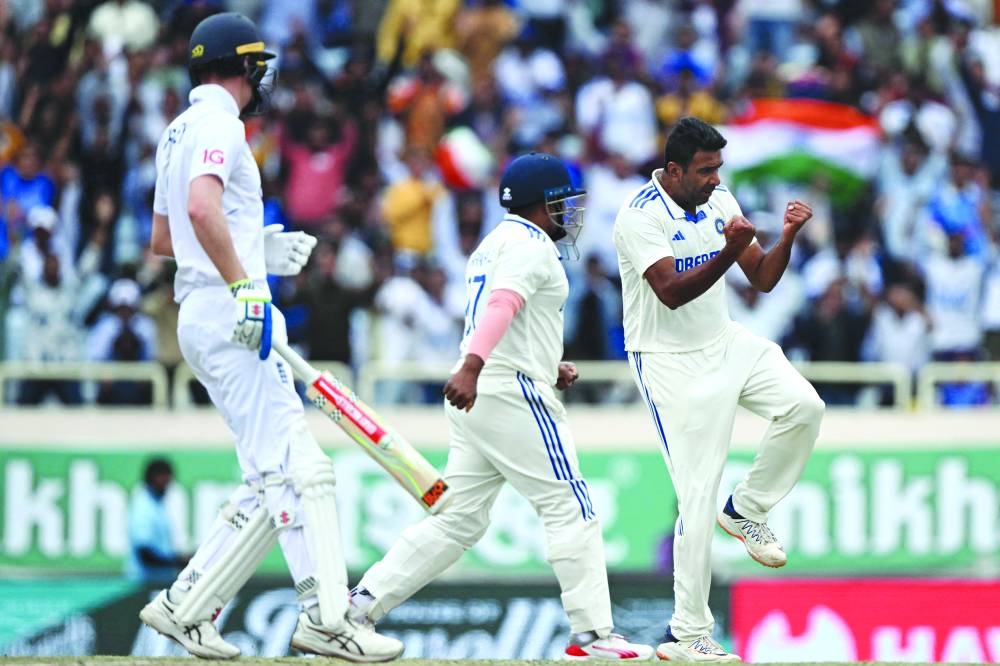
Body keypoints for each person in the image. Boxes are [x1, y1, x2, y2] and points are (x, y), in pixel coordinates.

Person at [138, 13, 402, 662]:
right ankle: (328, 618)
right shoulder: (220, 125)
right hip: (233, 315)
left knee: (270, 477)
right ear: (238, 66)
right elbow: (200, 209)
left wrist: (256, 250)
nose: (263, 79)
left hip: (203, 314)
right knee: (303, 470)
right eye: (257, 66)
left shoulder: (176, 130)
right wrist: (246, 283)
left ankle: (184, 607)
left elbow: (166, 239)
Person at [348, 153, 654, 661]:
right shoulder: (531, 246)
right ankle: (594, 636)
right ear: (541, 203)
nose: (570, 212)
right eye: (563, 202)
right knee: (570, 505)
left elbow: (510, 318)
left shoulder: (494, 243)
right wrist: (473, 366)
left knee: (457, 520)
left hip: (487, 390)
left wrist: (544, 363)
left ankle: (357, 609)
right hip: (506, 390)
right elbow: (502, 305)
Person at [612, 117, 825, 662]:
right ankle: (688, 635)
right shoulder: (639, 216)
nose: (716, 179)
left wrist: (786, 237)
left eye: (718, 169)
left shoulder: (719, 199)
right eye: (706, 170)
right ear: (675, 170)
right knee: (696, 496)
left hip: (724, 340)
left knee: (805, 406)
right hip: (668, 361)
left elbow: (763, 278)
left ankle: (747, 507)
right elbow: (670, 292)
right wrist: (730, 250)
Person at [126, 458, 188, 583]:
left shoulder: (157, 506)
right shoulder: (143, 507)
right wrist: (177, 562)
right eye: (165, 481)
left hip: (157, 581)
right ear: (154, 479)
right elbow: (145, 555)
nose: (167, 486)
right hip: (144, 583)